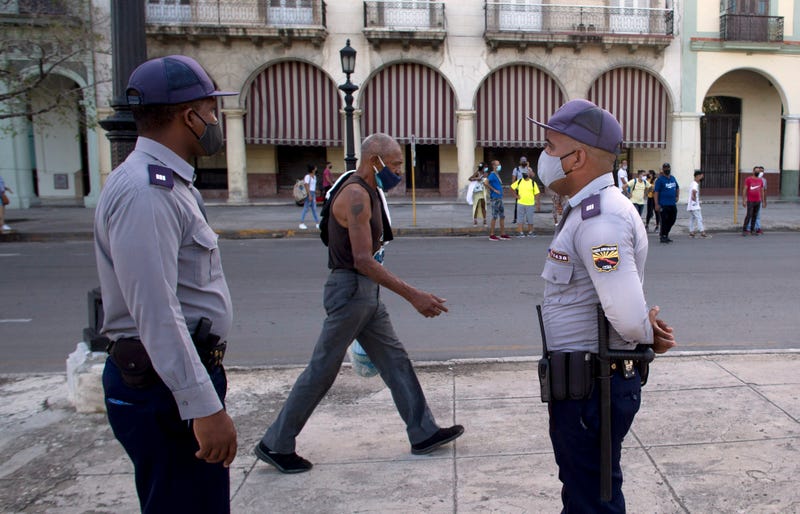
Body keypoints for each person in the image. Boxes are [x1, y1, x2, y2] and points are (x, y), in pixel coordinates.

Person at [254, 133, 464, 474]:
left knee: (395, 361)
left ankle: (423, 432)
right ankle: (275, 444)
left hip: (364, 293)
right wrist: (414, 295)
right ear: (374, 161)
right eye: (394, 164)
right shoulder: (355, 195)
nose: (398, 171)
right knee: (322, 370)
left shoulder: (366, 190)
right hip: (351, 290)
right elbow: (363, 260)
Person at [93, 55, 238, 513]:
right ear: (187, 115)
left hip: (175, 379)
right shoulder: (145, 192)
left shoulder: (172, 184)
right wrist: (203, 406)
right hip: (163, 390)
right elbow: (156, 312)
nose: (216, 120)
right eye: (211, 110)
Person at [530, 99, 676, 513]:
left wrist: (647, 334)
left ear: (576, 157)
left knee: (594, 500)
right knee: (583, 493)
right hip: (585, 384)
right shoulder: (586, 212)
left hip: (592, 388)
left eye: (550, 147)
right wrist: (645, 333)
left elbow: (629, 319)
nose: (544, 157)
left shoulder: (600, 220)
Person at [484, 160, 511, 241]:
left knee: (502, 216)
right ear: (494, 166)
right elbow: (486, 183)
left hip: (499, 198)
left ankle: (503, 234)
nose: (499, 166)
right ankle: (492, 235)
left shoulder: (496, 174)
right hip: (495, 198)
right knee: (494, 216)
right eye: (498, 164)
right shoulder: (492, 175)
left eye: (499, 164)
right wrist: (494, 190)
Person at [510, 167, 540, 237]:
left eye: (526, 173)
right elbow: (511, 188)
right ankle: (520, 233)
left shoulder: (533, 183)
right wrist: (516, 196)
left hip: (530, 203)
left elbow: (537, 193)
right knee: (520, 219)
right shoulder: (519, 181)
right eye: (523, 173)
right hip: (521, 203)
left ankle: (530, 232)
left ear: (529, 174)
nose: (524, 174)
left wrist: (537, 203)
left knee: (530, 219)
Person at [654, 162, 679, 243]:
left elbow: (677, 187)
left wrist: (677, 196)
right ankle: (663, 236)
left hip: (672, 204)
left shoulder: (673, 178)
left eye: (668, 168)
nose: (667, 169)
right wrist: (656, 204)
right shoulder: (660, 180)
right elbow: (656, 192)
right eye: (665, 168)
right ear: (663, 169)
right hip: (663, 204)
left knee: (672, 219)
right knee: (664, 221)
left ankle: (665, 233)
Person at [742, 165, 766, 236]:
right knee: (749, 215)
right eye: (756, 171)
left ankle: (752, 230)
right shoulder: (748, 179)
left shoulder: (760, 180)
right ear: (753, 171)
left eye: (758, 171)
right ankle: (745, 230)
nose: (757, 172)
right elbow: (745, 190)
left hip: (758, 201)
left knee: (755, 216)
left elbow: (762, 191)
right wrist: (744, 200)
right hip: (750, 201)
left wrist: (763, 201)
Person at [687, 170, 711, 238]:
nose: (702, 178)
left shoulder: (692, 183)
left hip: (691, 205)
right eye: (701, 176)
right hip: (694, 205)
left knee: (692, 218)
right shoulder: (695, 184)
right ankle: (702, 232)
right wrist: (694, 198)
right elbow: (694, 191)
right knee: (699, 218)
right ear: (697, 176)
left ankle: (691, 232)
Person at [299, 164, 320, 230]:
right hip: (309, 193)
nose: (316, 168)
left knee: (314, 209)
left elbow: (313, 185)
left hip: (312, 193)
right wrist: (310, 195)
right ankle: (301, 223)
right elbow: (306, 185)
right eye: (315, 167)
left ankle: (317, 223)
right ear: (313, 169)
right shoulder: (307, 176)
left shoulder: (314, 176)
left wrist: (315, 191)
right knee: (305, 208)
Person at [511, 156, 529, 223]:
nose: (524, 162)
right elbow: (513, 180)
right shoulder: (516, 169)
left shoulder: (528, 169)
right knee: (518, 205)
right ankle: (515, 219)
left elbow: (533, 176)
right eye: (522, 161)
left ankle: (527, 219)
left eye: (525, 161)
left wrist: (529, 170)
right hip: (519, 189)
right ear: (520, 162)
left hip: (527, 190)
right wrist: (514, 189)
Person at [753, 166, 766, 234]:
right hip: (751, 200)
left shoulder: (763, 180)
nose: (761, 172)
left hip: (759, 200)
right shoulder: (752, 179)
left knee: (758, 215)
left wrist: (764, 201)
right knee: (751, 214)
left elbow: (763, 191)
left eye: (762, 171)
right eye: (759, 171)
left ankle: (758, 228)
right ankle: (749, 228)